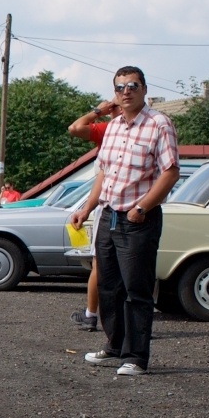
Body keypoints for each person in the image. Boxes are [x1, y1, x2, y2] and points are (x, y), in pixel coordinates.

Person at [68, 66, 180, 376]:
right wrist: (87, 207)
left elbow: (170, 172)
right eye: (120, 87)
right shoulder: (113, 127)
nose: (126, 91)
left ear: (144, 89)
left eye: (132, 85)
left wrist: (143, 207)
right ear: (114, 93)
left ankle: (136, 357)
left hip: (138, 219)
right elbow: (103, 173)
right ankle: (115, 345)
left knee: (136, 289)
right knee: (107, 286)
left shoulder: (159, 124)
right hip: (109, 215)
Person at [66, 112, 112, 331]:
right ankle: (136, 321)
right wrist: (85, 210)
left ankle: (92, 314)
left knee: (101, 265)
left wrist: (99, 110)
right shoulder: (118, 130)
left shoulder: (109, 129)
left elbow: (75, 128)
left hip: (114, 208)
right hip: (109, 207)